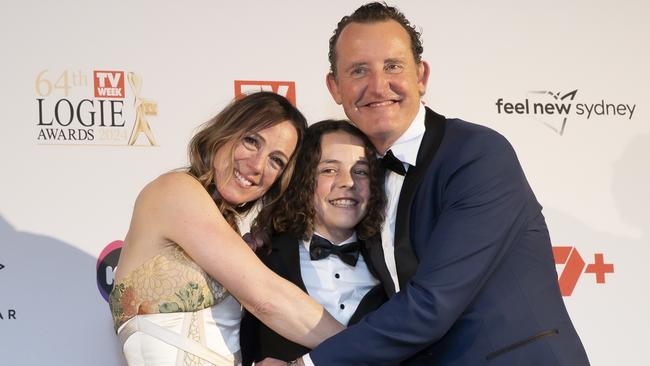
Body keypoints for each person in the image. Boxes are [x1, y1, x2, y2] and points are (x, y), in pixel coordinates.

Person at [278, 3, 591, 365]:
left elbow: (431, 304)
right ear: (335, 87)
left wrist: (310, 364)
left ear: (421, 76)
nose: (378, 86)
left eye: (393, 66)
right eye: (358, 70)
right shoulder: (366, 181)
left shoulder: (476, 154)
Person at [108, 92, 344, 366]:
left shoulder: (225, 228)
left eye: (276, 160)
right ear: (225, 132)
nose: (257, 166)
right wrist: (364, 347)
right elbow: (267, 298)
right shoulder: (174, 190)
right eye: (251, 141)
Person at [239, 120, 390, 365]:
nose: (348, 182)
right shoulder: (261, 258)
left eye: (361, 171)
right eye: (329, 170)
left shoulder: (395, 266)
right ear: (303, 178)